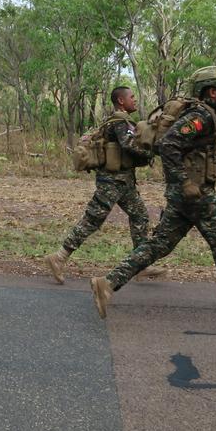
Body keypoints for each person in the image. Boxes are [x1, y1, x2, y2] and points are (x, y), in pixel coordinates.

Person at [90, 67, 216, 331]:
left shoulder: (204, 114)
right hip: (196, 196)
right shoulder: (201, 116)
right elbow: (169, 144)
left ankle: (107, 283)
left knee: (158, 245)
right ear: (212, 92)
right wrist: (185, 182)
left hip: (186, 196)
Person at [43, 86, 159, 284]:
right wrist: (151, 152)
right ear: (121, 101)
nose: (135, 100)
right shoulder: (120, 122)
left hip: (123, 183)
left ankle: (141, 265)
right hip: (112, 182)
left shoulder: (118, 120)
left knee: (140, 216)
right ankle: (59, 257)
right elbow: (128, 145)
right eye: (132, 97)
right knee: (92, 220)